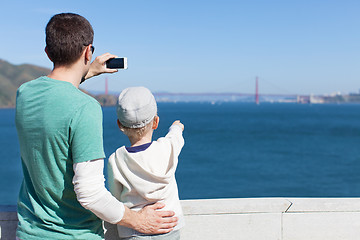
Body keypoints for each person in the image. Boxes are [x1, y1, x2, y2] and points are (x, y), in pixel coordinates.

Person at [15, 13, 177, 240]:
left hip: (28, 233)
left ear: (48, 52)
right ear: (88, 51)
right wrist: (139, 220)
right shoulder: (85, 108)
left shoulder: (25, 94)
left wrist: (89, 71)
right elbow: (90, 195)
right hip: (74, 234)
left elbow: (55, 93)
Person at [107, 87, 185, 240]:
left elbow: (115, 198)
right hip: (169, 225)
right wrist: (176, 127)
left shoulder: (115, 159)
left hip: (132, 232)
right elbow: (175, 136)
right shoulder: (167, 147)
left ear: (119, 125)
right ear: (156, 122)